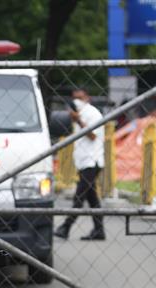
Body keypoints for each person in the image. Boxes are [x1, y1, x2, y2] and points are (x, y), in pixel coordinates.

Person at [54, 88, 105, 241]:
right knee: (92, 198)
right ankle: (99, 230)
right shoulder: (79, 114)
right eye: (74, 98)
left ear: (87, 98)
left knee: (79, 196)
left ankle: (66, 227)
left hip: (92, 161)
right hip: (83, 162)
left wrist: (79, 121)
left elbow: (92, 135)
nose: (77, 101)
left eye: (80, 98)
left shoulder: (92, 113)